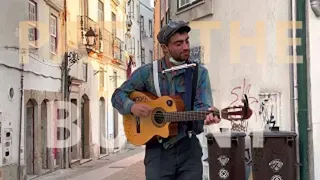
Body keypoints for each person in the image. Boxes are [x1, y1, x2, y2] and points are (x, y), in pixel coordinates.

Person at [111, 20, 221, 180]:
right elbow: (117, 95)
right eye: (178, 43)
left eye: (187, 41)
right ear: (164, 48)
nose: (186, 47)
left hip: (188, 149)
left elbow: (202, 107)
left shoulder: (199, 73)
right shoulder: (147, 73)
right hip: (157, 152)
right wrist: (132, 107)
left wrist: (207, 116)